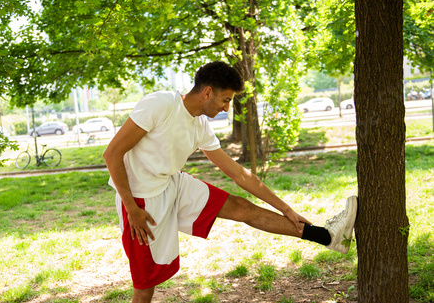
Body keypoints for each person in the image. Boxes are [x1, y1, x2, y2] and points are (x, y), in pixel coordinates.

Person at [103, 61, 358, 303]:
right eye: (225, 100)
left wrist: (286, 209)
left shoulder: (201, 126)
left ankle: (328, 237)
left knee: (242, 207)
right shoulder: (161, 104)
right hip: (140, 199)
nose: (226, 108)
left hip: (172, 184)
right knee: (145, 288)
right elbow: (112, 153)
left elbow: (239, 174)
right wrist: (131, 208)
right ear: (207, 92)